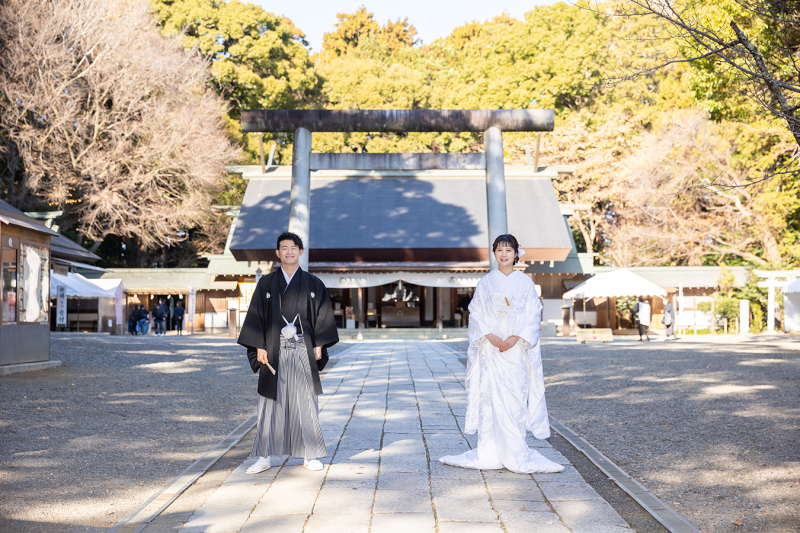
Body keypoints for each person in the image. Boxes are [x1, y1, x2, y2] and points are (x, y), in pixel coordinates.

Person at [439, 234, 564, 474]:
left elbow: (532, 313)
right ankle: (489, 452)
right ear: (494, 254)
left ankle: (515, 453)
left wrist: (514, 337)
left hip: (515, 349)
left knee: (514, 398)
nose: (504, 254)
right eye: (499, 250)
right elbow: (475, 313)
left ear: (517, 253)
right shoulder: (486, 283)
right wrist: (490, 336)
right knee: (490, 398)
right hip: (491, 350)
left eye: (509, 250)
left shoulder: (525, 283)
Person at [238, 232, 339, 474]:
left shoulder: (314, 284)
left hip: (303, 347)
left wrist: (320, 343)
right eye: (284, 248)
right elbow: (256, 317)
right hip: (274, 348)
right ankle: (263, 457)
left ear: (300, 252)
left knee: (306, 401)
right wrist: (259, 346)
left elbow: (323, 316)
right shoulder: (266, 283)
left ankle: (310, 455)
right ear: (278, 253)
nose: (289, 252)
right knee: (269, 403)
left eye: (293, 248)